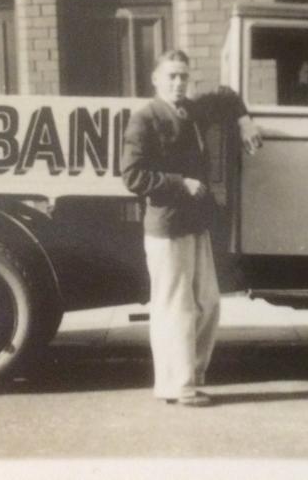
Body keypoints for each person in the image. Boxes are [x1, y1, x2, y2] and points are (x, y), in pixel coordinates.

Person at [121, 49, 262, 407]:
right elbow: (132, 176)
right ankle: (176, 386)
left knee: (208, 303)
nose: (178, 82)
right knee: (174, 308)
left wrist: (244, 120)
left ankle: (192, 376)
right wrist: (179, 182)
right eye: (171, 76)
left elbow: (227, 96)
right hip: (166, 226)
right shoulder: (145, 118)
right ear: (155, 79)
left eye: (183, 76)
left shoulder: (192, 110)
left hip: (194, 224)